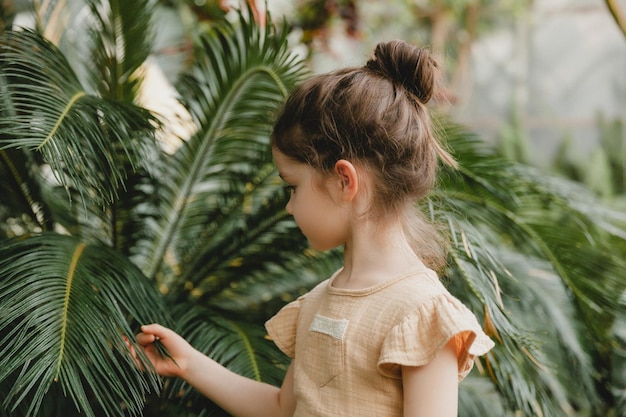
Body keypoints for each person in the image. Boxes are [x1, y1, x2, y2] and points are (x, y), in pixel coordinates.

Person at [133, 39, 494, 417]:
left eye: (292, 186)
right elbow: (281, 408)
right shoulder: (321, 300)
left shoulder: (420, 315)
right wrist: (188, 364)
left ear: (343, 181)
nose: (288, 207)